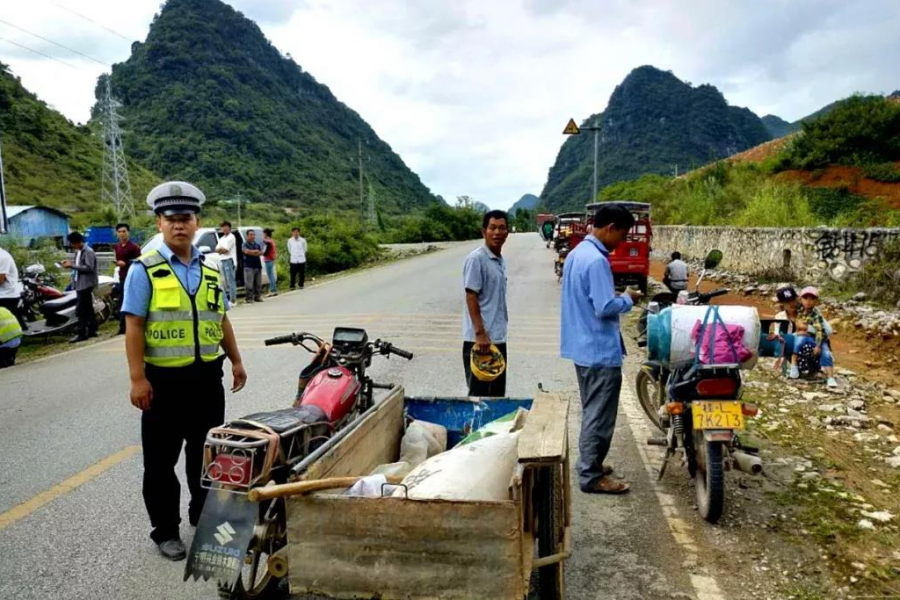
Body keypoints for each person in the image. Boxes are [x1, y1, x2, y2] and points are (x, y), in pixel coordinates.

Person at [122, 180, 247, 561]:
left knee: (206, 455)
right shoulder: (144, 270)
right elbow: (134, 325)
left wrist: (237, 360)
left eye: (186, 218)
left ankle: (201, 513)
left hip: (207, 380)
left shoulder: (211, 269)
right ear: (159, 224)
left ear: (197, 222)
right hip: (163, 384)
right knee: (160, 463)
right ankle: (165, 530)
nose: (180, 225)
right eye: (171, 218)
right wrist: (137, 378)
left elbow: (220, 317)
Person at [561, 204, 641, 495]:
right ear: (610, 228)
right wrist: (629, 298)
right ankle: (591, 476)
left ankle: (590, 462)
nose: (622, 242)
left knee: (591, 409)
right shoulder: (596, 261)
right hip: (598, 350)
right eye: (622, 234)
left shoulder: (576, 255)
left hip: (582, 348)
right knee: (599, 415)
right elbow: (604, 307)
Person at [462, 210, 509, 397]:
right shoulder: (476, 259)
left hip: (497, 338)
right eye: (493, 228)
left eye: (502, 228)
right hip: (480, 342)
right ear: (484, 232)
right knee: (479, 398)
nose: (497, 232)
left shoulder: (498, 260)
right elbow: (471, 296)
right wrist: (480, 334)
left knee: (496, 396)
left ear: (507, 233)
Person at [792, 287, 838, 388]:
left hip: (817, 339)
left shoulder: (816, 314)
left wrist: (818, 345)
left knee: (825, 353)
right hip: (805, 337)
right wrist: (800, 332)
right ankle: (794, 366)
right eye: (806, 298)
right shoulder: (800, 311)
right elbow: (798, 327)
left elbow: (819, 331)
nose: (808, 301)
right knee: (797, 342)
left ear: (816, 301)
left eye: (812, 299)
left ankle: (830, 377)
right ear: (801, 299)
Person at [61, 232, 98, 343]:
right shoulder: (79, 252)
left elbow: (89, 268)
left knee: (80, 309)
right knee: (88, 307)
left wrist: (71, 265)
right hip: (80, 283)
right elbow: (80, 265)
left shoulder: (88, 251)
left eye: (73, 243)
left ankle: (81, 333)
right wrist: (70, 263)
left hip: (86, 284)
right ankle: (92, 330)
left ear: (78, 242)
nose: (72, 246)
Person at [114, 223, 141, 335]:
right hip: (121, 277)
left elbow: (139, 262)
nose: (122, 234)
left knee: (129, 301)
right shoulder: (117, 247)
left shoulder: (134, 247)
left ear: (128, 232)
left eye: (124, 231)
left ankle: (130, 325)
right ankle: (122, 327)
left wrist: (126, 264)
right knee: (121, 301)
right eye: (119, 232)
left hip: (132, 277)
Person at [0, 243, 25, 328]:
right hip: (3, 294)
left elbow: (0, 280)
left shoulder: (2, 257)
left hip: (7, 295)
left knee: (9, 325)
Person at [215, 221, 238, 304]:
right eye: (222, 227)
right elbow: (216, 249)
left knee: (231, 280)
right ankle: (229, 300)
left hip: (229, 260)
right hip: (223, 260)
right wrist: (221, 250)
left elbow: (226, 250)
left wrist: (221, 250)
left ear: (229, 227)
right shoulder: (221, 239)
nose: (224, 229)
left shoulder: (231, 237)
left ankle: (233, 300)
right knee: (227, 281)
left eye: (225, 227)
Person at [242, 230, 264, 303]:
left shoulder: (257, 244)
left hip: (257, 265)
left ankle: (258, 296)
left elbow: (261, 252)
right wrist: (255, 252)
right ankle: (249, 298)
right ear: (247, 236)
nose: (253, 236)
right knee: (249, 283)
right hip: (248, 266)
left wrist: (252, 252)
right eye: (251, 235)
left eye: (253, 235)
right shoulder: (244, 244)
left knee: (258, 283)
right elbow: (246, 251)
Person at [262, 228, 278, 297]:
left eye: (263, 234)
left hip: (268, 260)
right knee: (271, 275)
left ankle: (272, 290)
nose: (262, 235)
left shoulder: (267, 242)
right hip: (272, 259)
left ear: (265, 234)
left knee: (270, 275)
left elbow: (265, 252)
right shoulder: (271, 240)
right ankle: (274, 290)